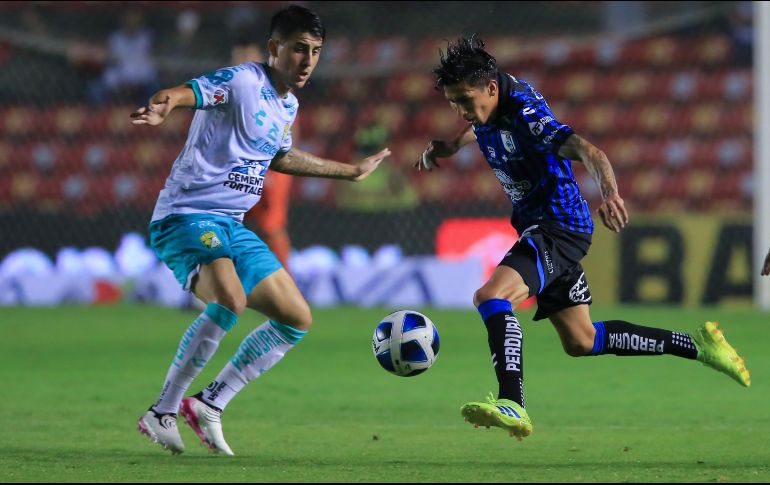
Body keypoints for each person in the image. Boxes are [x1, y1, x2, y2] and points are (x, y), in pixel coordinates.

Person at [417, 36, 750, 441]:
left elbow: (592, 152)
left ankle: (512, 401)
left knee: (491, 296)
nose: (462, 111)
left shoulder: (525, 113)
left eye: (466, 101)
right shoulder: (489, 105)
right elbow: (481, 127)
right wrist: (453, 144)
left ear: (490, 89)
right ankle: (701, 346)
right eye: (454, 103)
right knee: (582, 340)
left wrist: (609, 194)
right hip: (541, 226)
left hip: (558, 227)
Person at [131, 5, 390, 455]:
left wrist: (349, 171)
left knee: (296, 318)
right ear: (274, 48)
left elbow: (281, 157)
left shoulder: (288, 102)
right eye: (298, 49)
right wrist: (163, 104)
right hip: (187, 215)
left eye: (315, 51)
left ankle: (209, 405)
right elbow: (185, 92)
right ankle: (162, 410)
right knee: (230, 299)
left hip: (231, 224)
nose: (307, 60)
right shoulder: (242, 81)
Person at [231, 33, 295, 268]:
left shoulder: (275, 86)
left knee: (272, 226)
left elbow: (287, 134)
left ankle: (287, 284)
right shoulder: (232, 87)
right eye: (238, 56)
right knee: (229, 224)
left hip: (271, 166)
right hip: (239, 165)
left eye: (247, 55)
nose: (242, 60)